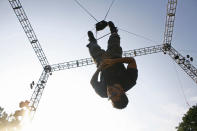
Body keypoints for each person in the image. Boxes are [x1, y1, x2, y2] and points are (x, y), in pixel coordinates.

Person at [87, 21, 138, 109]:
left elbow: (93, 82)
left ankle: (92, 40)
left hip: (101, 63)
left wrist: (99, 68)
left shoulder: (103, 93)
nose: (110, 93)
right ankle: (113, 31)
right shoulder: (130, 81)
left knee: (93, 49)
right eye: (114, 94)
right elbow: (131, 61)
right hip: (115, 56)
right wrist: (113, 61)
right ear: (122, 91)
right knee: (114, 42)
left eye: (110, 97)